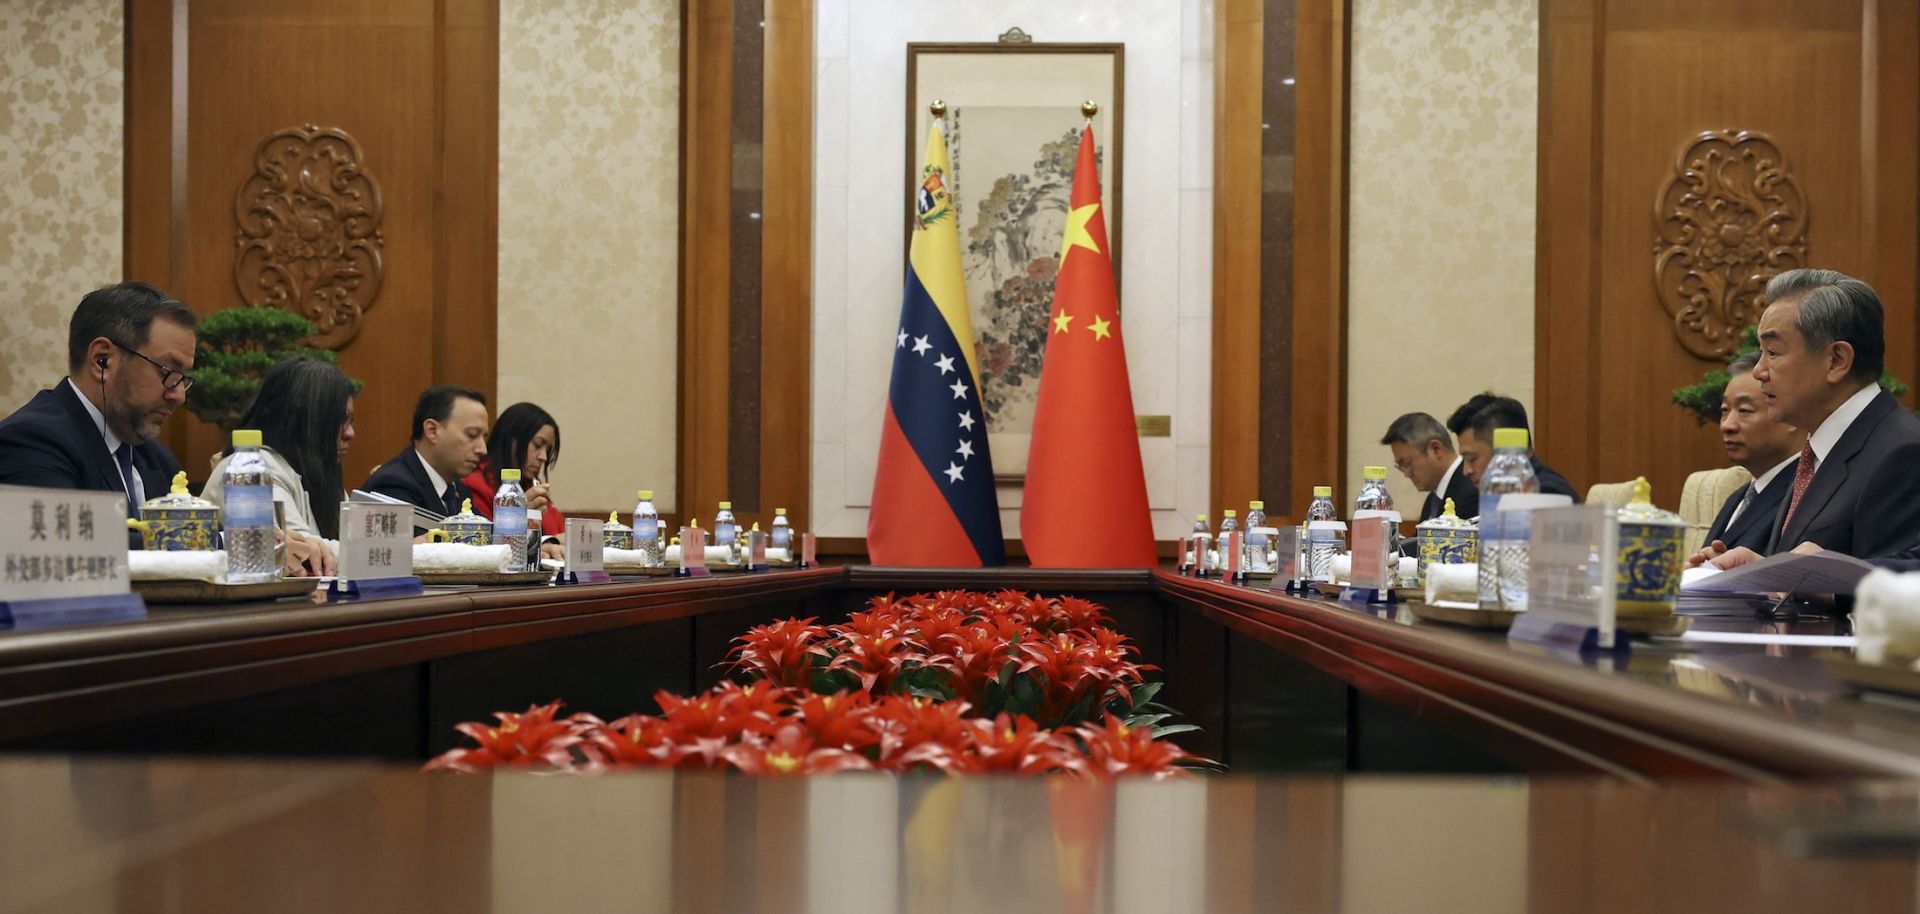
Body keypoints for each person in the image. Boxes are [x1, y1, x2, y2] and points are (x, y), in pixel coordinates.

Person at [1706, 269, 1920, 570]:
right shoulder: (1818, 450)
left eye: (1773, 352)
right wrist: (1756, 573)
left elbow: (1902, 591)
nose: (1759, 371)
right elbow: (1806, 571)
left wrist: (1823, 577)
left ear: (1836, 361)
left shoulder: (1902, 453)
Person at [0, 282, 195, 536]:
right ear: (102, 360)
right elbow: (72, 552)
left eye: (183, 378)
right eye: (168, 372)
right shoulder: (31, 443)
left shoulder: (159, 460)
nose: (178, 395)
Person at [201, 358, 356, 576]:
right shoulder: (254, 470)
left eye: (351, 422)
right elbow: (306, 552)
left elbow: (355, 543)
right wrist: (405, 552)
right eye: (340, 421)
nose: (350, 434)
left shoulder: (318, 471)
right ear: (303, 420)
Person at [1685, 352, 1803, 566]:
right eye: (1724, 411)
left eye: (1745, 411)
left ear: (1790, 415)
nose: (1727, 425)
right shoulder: (1739, 497)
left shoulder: (1805, 494)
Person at [362, 385, 489, 517]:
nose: (483, 449)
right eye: (472, 434)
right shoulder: (392, 486)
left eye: (484, 437)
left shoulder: (458, 489)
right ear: (432, 431)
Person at [1446, 393, 1581, 502]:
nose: (1466, 471)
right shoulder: (1499, 491)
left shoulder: (1546, 494)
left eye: (1472, 458)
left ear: (1504, 449)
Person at [462, 402, 565, 536]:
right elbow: (486, 542)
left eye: (548, 450)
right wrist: (517, 516)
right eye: (537, 445)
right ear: (511, 441)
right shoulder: (477, 484)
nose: (543, 457)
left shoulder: (530, 485)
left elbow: (558, 531)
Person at [1380, 411, 1477, 521]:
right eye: (1400, 466)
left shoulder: (1472, 493)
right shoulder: (1433, 499)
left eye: (1407, 464)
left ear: (1436, 449)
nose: (1406, 474)